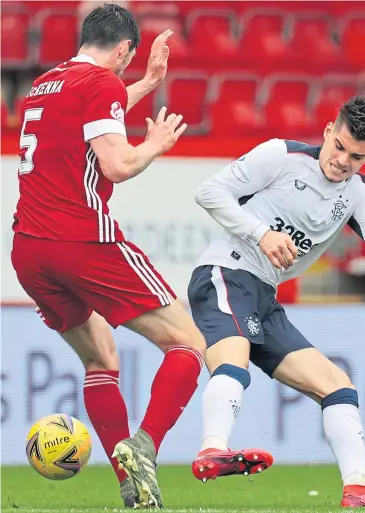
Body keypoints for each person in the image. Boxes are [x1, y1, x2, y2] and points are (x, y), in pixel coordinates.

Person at [11, 4, 205, 509]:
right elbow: (116, 165)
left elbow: (98, 107)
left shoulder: (48, 82)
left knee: (102, 359)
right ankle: (143, 447)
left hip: (29, 250)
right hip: (82, 241)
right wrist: (155, 144)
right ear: (123, 49)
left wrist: (145, 83)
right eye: (128, 62)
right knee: (187, 344)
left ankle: (132, 485)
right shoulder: (100, 86)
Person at [187, 96, 365, 508]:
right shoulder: (280, 156)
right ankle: (212, 448)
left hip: (264, 294)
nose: (342, 160)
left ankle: (358, 486)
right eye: (338, 146)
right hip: (226, 271)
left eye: (356, 156)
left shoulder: (359, 193)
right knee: (233, 356)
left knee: (338, 387)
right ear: (327, 132)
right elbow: (209, 191)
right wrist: (261, 233)